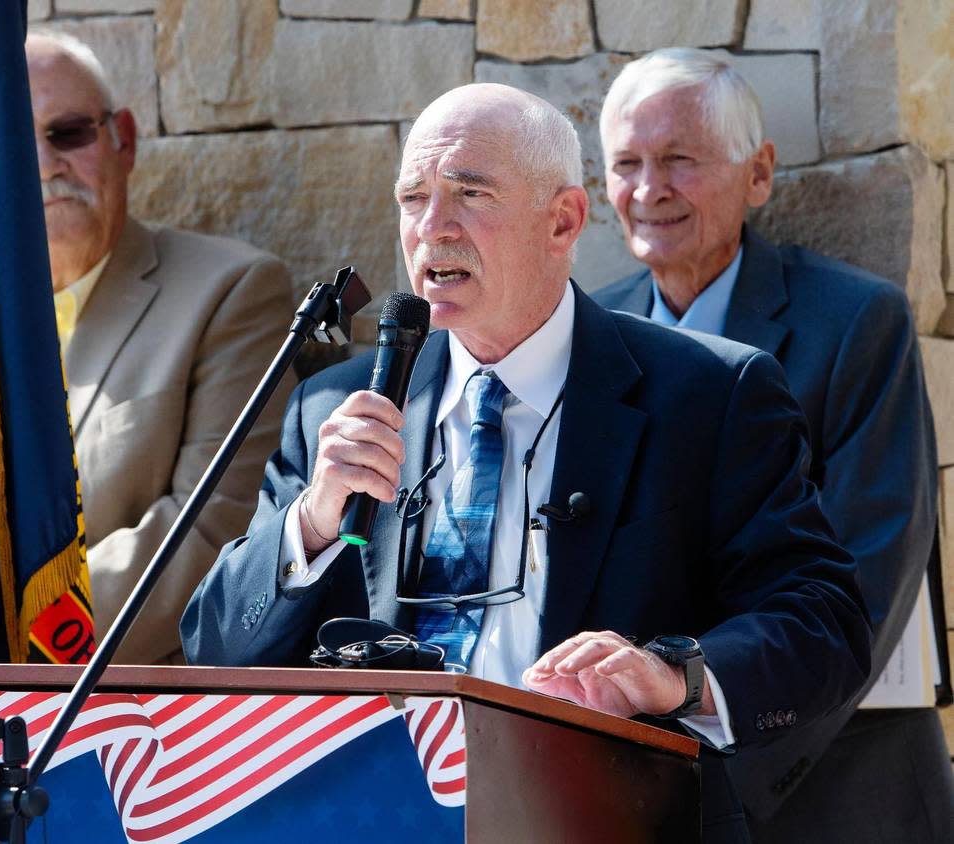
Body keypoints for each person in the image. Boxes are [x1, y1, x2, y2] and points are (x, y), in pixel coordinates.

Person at [180, 82, 872, 843]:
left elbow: (824, 622)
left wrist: (674, 673)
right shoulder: (335, 408)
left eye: (469, 194)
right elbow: (217, 651)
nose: (432, 228)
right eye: (414, 198)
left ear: (564, 220)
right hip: (377, 818)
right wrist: (311, 523)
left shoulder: (709, 393)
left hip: (603, 819)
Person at [0, 30, 296, 668]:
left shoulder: (231, 294)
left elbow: (213, 535)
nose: (45, 165)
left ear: (122, 138)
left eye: (69, 132)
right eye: (13, 144)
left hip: (116, 724)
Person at [592, 48, 953, 843]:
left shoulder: (857, 323)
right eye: (626, 164)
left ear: (758, 175)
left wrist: (718, 776)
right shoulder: (590, 333)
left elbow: (869, 576)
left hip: (836, 790)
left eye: (679, 160)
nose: (648, 190)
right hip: (635, 787)